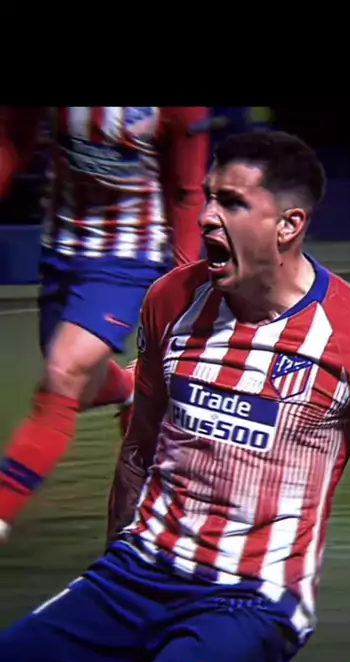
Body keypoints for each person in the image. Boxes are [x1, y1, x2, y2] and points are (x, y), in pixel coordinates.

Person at [0, 130, 350, 662]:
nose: (206, 215)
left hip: (251, 600)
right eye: (209, 196)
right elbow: (140, 446)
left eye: (231, 202)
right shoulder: (169, 300)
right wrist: (111, 572)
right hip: (134, 573)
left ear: (288, 225)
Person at [0, 106, 209, 543]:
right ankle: (134, 388)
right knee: (79, 385)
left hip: (128, 256)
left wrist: (183, 279)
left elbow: (187, 191)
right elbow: (14, 138)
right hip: (60, 249)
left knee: (63, 376)